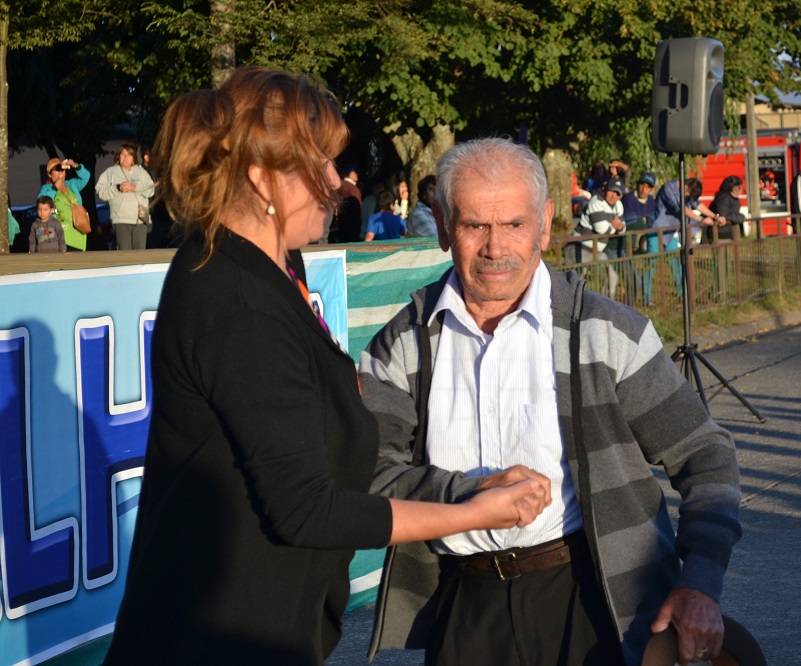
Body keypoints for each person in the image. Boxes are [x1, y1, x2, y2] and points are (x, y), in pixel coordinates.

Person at [102, 68, 549, 666]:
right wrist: (471, 513)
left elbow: (301, 428)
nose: (338, 184)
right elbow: (306, 507)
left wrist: (470, 483)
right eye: (323, 164)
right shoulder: (237, 302)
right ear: (263, 177)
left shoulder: (275, 270)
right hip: (215, 639)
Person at [359, 137, 742, 666]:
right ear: (443, 226)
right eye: (475, 226)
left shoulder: (608, 334)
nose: (496, 248)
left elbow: (705, 455)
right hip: (462, 606)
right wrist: (468, 496)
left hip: (591, 601)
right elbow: (367, 474)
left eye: (514, 224)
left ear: (544, 223)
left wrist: (700, 581)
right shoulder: (403, 343)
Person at [569, 177, 626, 296]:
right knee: (573, 285)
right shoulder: (596, 201)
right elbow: (602, 230)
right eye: (611, 191)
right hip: (579, 248)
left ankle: (606, 309)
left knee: (612, 277)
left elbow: (623, 228)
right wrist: (617, 227)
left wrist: (619, 227)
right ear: (605, 189)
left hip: (597, 250)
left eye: (617, 193)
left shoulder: (618, 205)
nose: (613, 196)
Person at [95, 144, 156, 250]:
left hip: (139, 219)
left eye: (128, 155)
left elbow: (151, 190)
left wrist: (135, 187)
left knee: (140, 253)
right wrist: (117, 188)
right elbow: (100, 192)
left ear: (133, 158)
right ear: (118, 157)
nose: (125, 157)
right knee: (125, 252)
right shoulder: (110, 172)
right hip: (120, 219)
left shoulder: (141, 172)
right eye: (122, 154)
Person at [38, 156, 90, 252]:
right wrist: (55, 188)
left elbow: (86, 176)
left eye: (62, 169)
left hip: (78, 234)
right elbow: (43, 203)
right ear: (50, 174)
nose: (60, 172)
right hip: (59, 237)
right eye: (56, 170)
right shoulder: (46, 188)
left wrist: (75, 165)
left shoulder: (72, 184)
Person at [706, 175, 744, 243]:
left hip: (728, 231)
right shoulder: (723, 199)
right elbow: (723, 215)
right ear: (736, 188)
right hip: (720, 233)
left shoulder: (733, 198)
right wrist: (741, 217)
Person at [331, 164, 362, 243]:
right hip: (350, 219)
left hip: (346, 218)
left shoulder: (347, 185)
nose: (357, 174)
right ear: (350, 174)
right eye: (355, 172)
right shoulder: (347, 185)